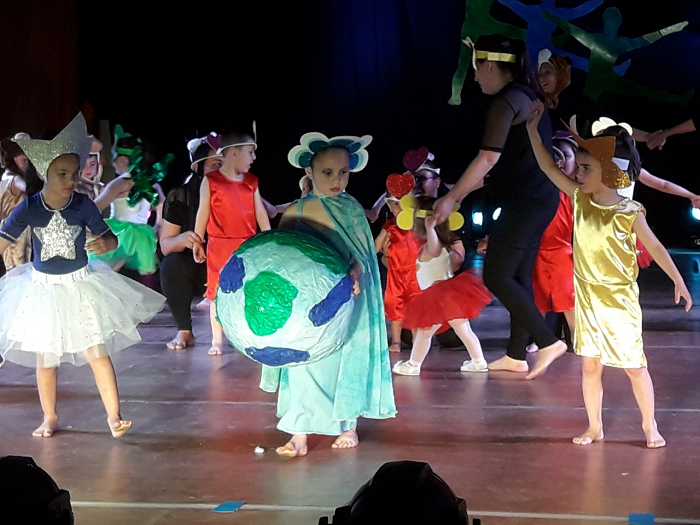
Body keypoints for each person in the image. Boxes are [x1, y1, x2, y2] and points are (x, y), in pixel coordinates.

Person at [527, 100, 692, 448]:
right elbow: (547, 166)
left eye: (585, 168)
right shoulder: (580, 199)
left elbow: (656, 247)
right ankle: (594, 426)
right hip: (587, 298)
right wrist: (532, 130)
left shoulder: (628, 211)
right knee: (590, 366)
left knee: (634, 367)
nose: (577, 174)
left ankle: (649, 425)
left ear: (608, 171)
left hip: (619, 300)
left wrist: (678, 279)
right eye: (579, 167)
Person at [0, 114, 165, 438]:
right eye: (62, 174)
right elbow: (3, 239)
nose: (71, 180)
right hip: (43, 290)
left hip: (80, 285)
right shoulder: (30, 207)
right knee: (46, 359)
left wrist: (107, 243)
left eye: (74, 173)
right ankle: (49, 417)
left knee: (97, 352)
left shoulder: (83, 205)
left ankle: (114, 416)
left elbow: (109, 237)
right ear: (44, 173)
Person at [433, 34, 566, 379]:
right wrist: (458, 190)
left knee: (497, 275)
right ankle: (515, 355)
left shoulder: (506, 101)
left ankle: (548, 341)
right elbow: (503, 166)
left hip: (527, 201)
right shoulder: (527, 95)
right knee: (518, 275)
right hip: (538, 198)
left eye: (477, 69)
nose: (476, 78)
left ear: (489, 65)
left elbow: (488, 158)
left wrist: (452, 197)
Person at [261, 132, 396, 457]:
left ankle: (347, 423)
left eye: (344, 172)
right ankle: (299, 431)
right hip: (308, 304)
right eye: (328, 172)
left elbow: (361, 254)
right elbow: (281, 256)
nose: (337, 180)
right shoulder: (297, 211)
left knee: (342, 359)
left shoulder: (350, 209)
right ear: (309, 171)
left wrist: (355, 272)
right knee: (304, 361)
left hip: (345, 298)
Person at [192, 126, 271, 356]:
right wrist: (197, 241)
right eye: (250, 152)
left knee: (248, 290)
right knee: (216, 293)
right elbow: (203, 212)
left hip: (247, 246)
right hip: (219, 246)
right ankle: (217, 340)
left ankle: (246, 335)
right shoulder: (211, 181)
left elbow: (260, 212)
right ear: (234, 153)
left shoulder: (251, 182)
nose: (253, 158)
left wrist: (269, 237)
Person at [392, 195, 492, 376]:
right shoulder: (444, 245)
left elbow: (435, 249)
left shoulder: (433, 247)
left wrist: (430, 228)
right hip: (448, 297)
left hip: (438, 298)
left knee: (424, 332)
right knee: (462, 330)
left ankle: (413, 365)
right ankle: (478, 361)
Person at [160, 133, 222, 350]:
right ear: (198, 167)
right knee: (171, 264)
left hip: (227, 264)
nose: (222, 170)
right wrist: (182, 239)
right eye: (216, 165)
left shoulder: (241, 191)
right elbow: (166, 245)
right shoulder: (181, 196)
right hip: (198, 268)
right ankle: (184, 330)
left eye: (225, 164)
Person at [90, 126, 165, 275]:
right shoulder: (152, 183)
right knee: (138, 275)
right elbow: (162, 206)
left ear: (123, 160)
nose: (112, 162)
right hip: (143, 237)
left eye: (114, 157)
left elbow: (94, 208)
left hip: (121, 234)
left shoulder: (121, 183)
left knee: (104, 272)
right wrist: (156, 229)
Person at [374, 175, 421, 352]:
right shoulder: (390, 226)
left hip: (416, 275)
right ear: (388, 205)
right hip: (396, 275)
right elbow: (375, 247)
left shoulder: (418, 225)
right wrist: (383, 251)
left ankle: (418, 342)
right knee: (396, 308)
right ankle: (396, 341)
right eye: (395, 204)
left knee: (416, 308)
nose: (399, 208)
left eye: (403, 203)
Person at [0, 135, 42, 274]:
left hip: (21, 229)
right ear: (14, 158)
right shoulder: (13, 178)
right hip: (14, 230)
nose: (27, 165)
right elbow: (31, 190)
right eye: (24, 160)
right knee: (16, 268)